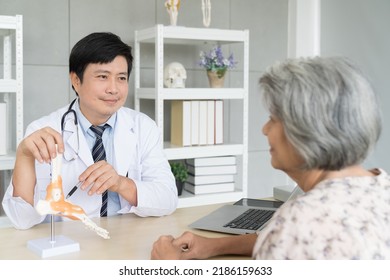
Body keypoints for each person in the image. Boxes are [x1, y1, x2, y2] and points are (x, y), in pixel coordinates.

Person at [151, 56, 390, 260]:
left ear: (305, 129)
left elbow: (293, 236)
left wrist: (171, 266)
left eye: (273, 119)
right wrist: (213, 245)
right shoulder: (381, 186)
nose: (265, 129)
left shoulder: (300, 222)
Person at [2, 32, 178, 230]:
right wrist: (24, 155)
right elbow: (21, 220)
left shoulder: (143, 127)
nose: (113, 89)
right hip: (70, 244)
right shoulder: (43, 132)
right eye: (102, 77)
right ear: (76, 81)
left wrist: (120, 183)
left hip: (126, 239)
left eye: (121, 78)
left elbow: (168, 199)